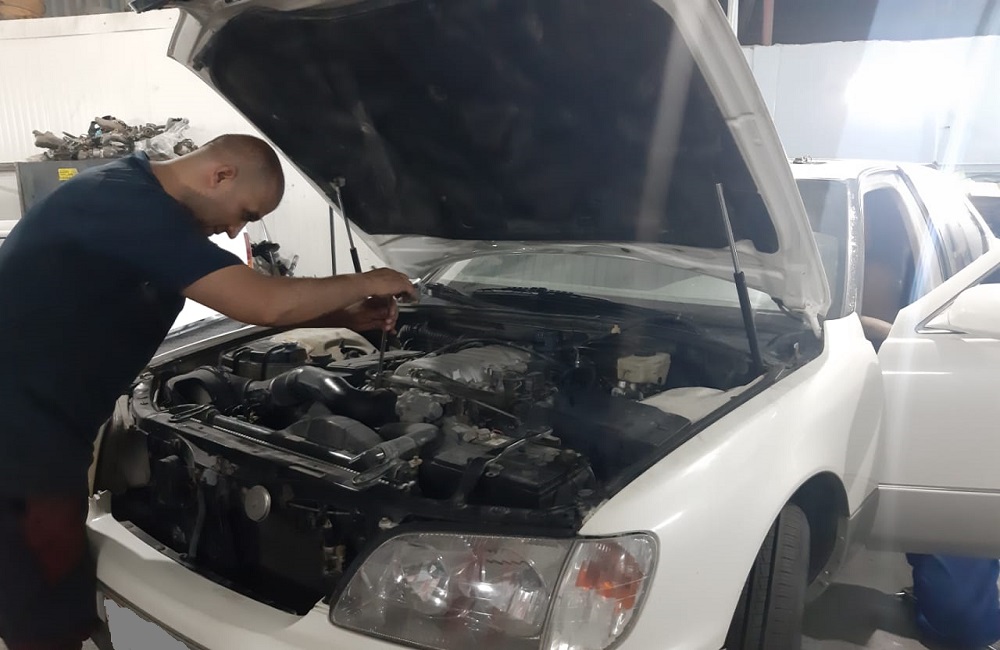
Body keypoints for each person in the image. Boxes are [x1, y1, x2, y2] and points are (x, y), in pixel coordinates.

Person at [0, 134, 415, 650]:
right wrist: (366, 280)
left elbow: (234, 299)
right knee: (47, 594)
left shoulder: (131, 198)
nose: (236, 230)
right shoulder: (123, 203)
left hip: (41, 423)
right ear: (220, 175)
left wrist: (341, 315)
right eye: (245, 213)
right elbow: (260, 302)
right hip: (21, 435)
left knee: (43, 576)